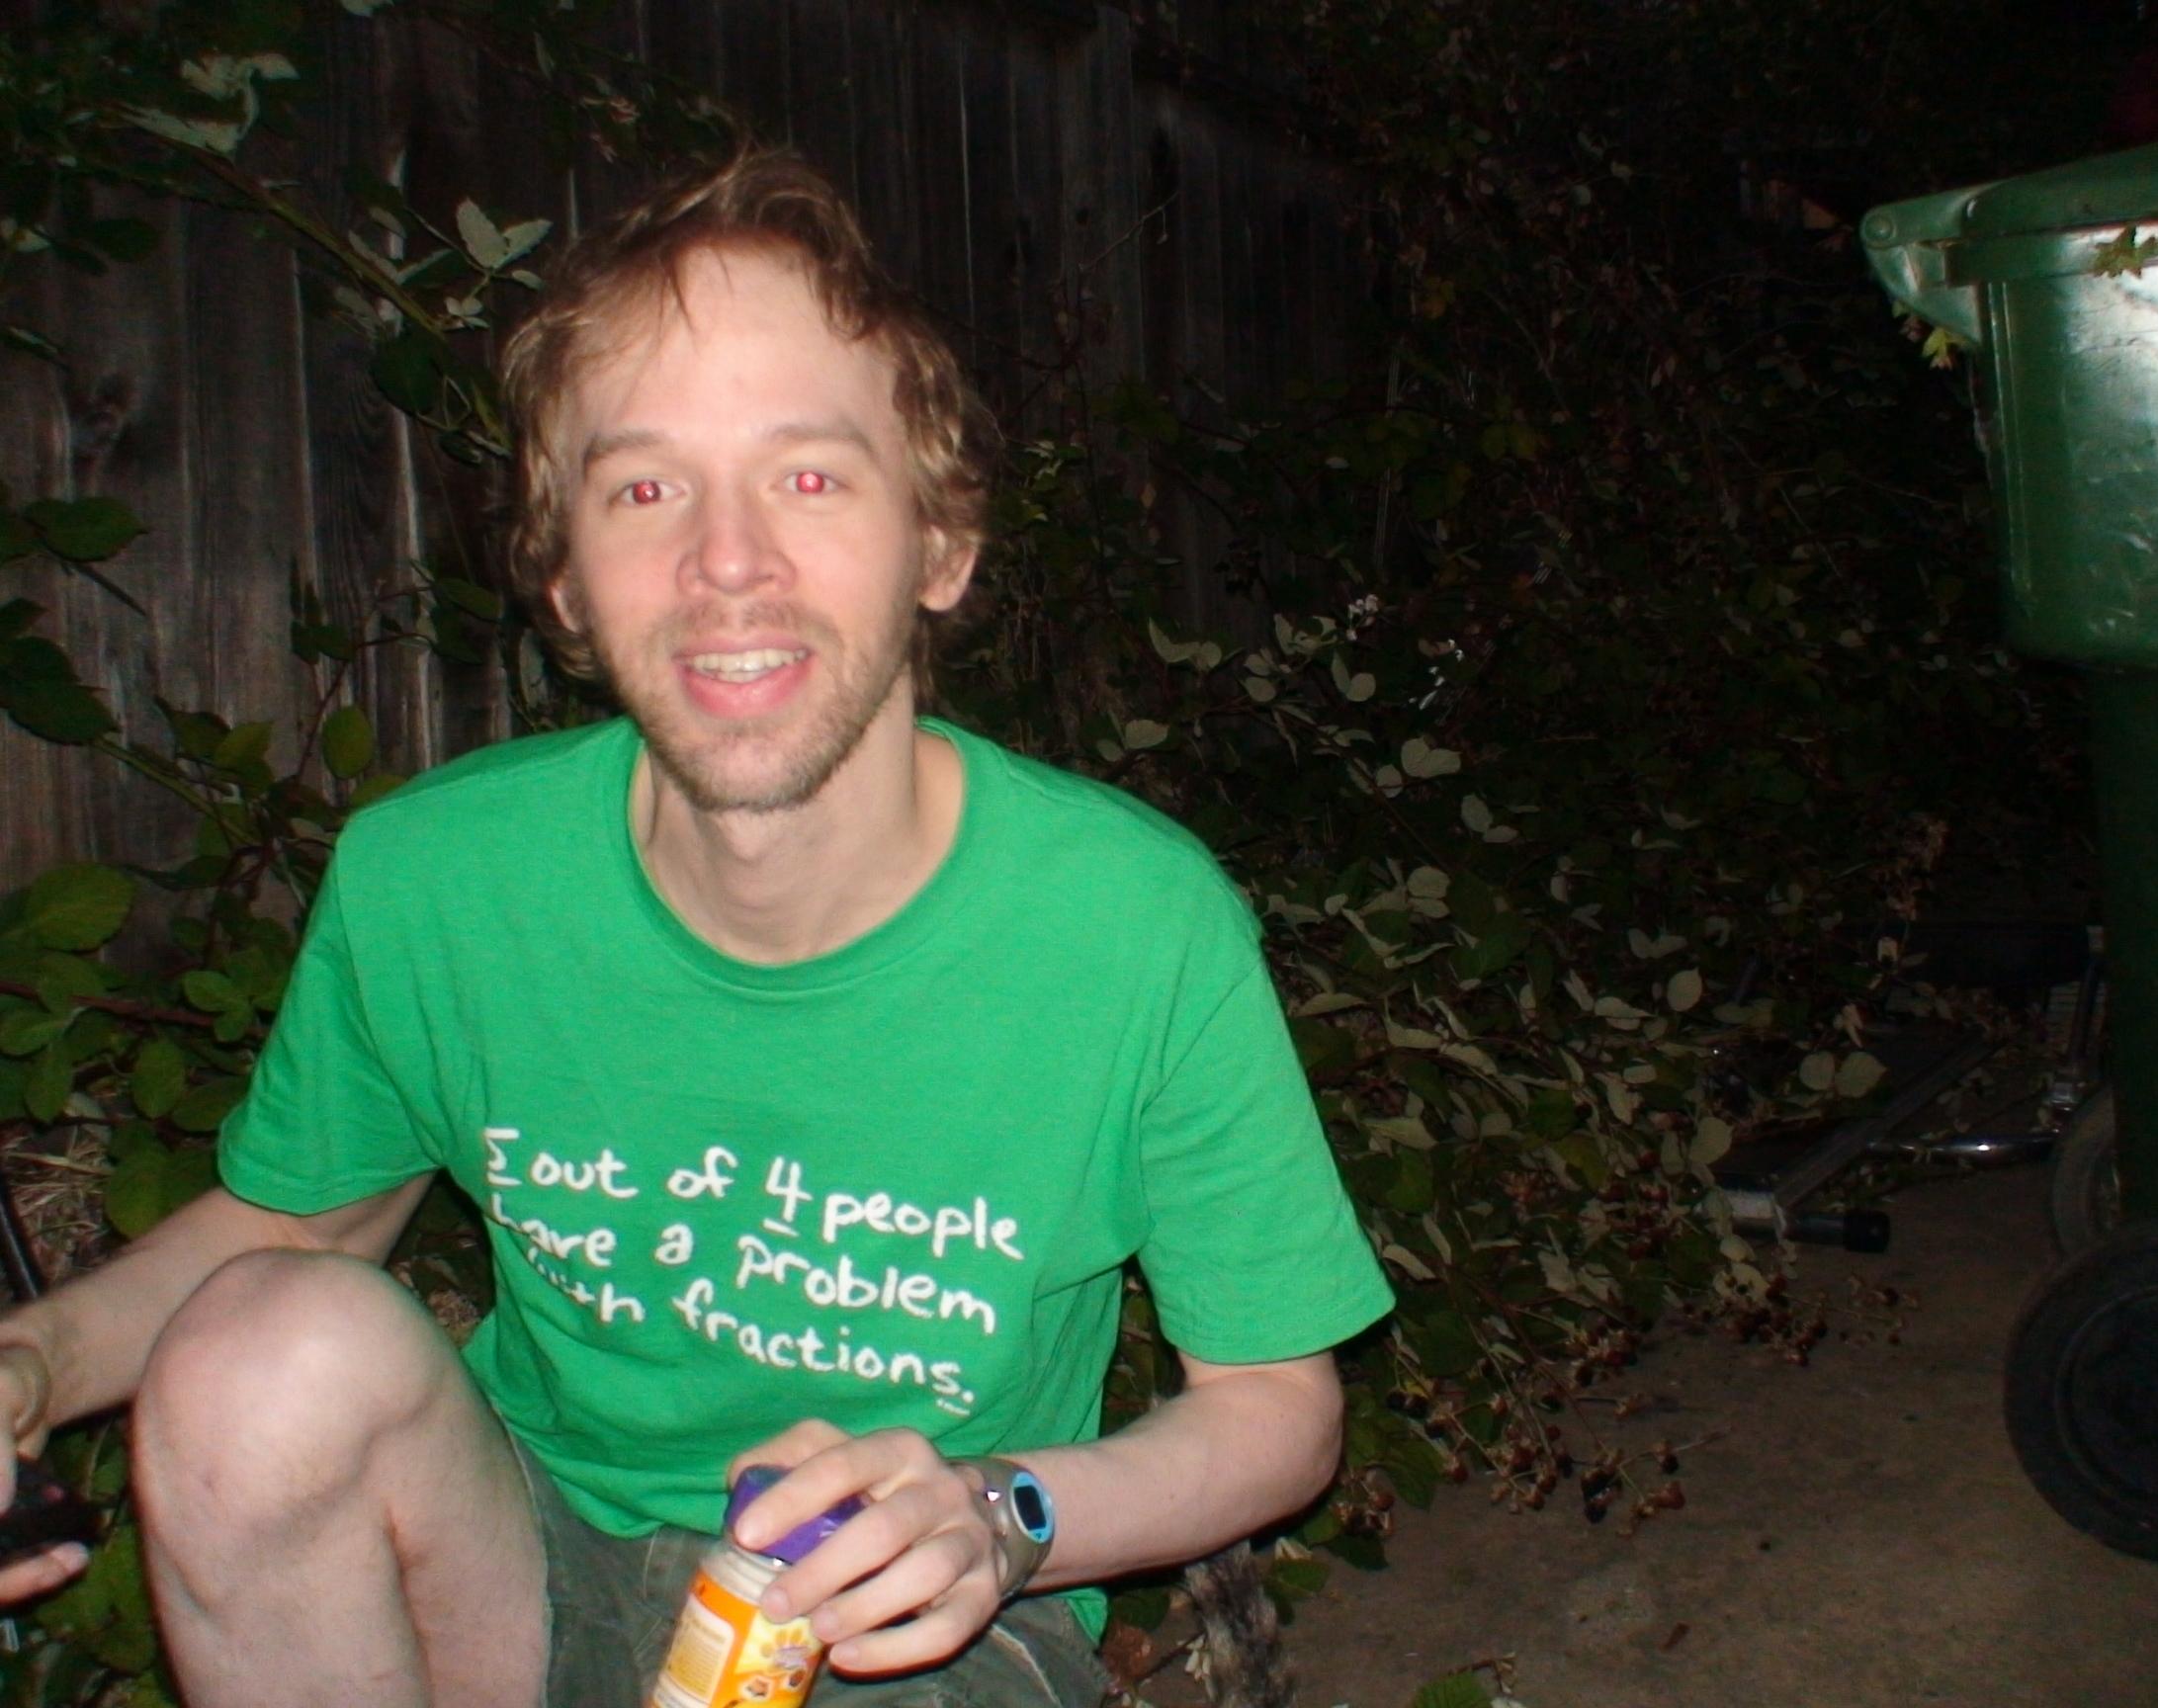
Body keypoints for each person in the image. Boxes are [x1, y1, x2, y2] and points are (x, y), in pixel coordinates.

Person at [0, 144, 1391, 1708]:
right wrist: (32, 1367)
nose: (727, 564)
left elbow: (1277, 1405)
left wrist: (1005, 1513)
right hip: (513, 1570)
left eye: (809, 475)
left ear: (941, 545)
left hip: (900, 1635)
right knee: (256, 1363)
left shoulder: (1134, 929)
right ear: (567, 582)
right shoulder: (435, 884)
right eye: (646, 486)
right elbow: (294, 1230)